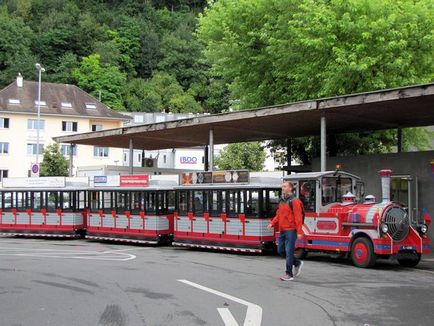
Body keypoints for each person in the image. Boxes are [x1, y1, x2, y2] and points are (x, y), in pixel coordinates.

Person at [268, 181, 304, 281]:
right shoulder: (282, 200)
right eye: (282, 186)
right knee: (280, 250)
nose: (282, 188)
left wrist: (300, 232)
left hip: (291, 230)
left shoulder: (295, 201)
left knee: (289, 252)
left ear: (290, 188)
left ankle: (289, 274)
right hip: (282, 230)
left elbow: (298, 218)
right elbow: (279, 214)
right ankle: (297, 263)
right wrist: (272, 223)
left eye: (284, 186)